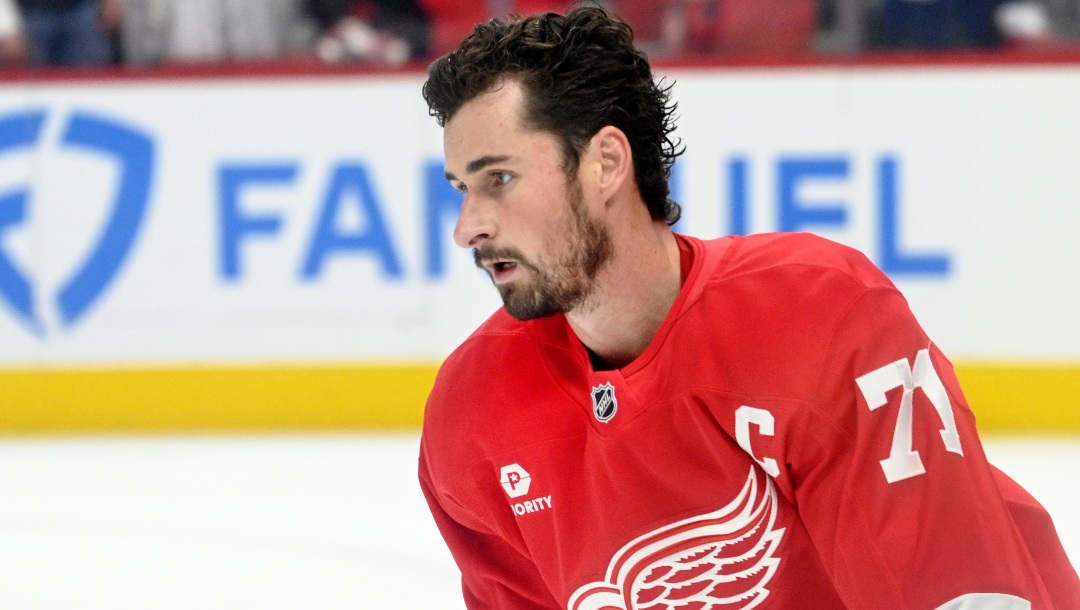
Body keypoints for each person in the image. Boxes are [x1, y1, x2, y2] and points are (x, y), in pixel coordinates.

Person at [417, 7, 1080, 609]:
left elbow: (960, 594)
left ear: (607, 163)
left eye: (499, 178)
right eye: (461, 188)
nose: (468, 227)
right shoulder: (472, 416)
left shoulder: (815, 318)